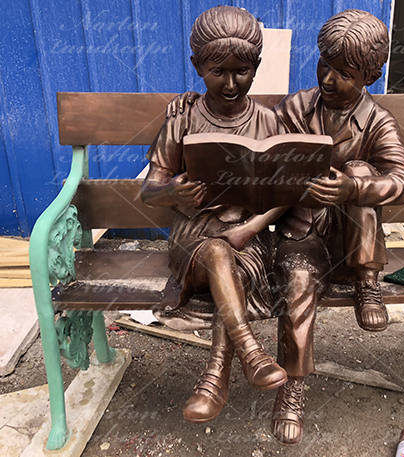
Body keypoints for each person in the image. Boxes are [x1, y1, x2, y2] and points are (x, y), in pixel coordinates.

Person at [269, 10, 404, 445]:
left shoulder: (376, 121)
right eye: (325, 65)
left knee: (360, 173)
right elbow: (261, 156)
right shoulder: (294, 107)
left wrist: (354, 187)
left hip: (351, 244)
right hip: (300, 237)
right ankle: (292, 389)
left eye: (345, 73)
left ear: (370, 76)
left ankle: (367, 281)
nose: (329, 79)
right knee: (296, 287)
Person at [140, 5, 288, 425]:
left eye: (242, 71)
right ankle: (250, 351)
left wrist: (252, 226)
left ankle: (215, 379)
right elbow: (149, 190)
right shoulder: (183, 118)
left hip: (249, 236)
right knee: (218, 253)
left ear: (256, 67)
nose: (229, 82)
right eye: (216, 71)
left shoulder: (267, 120)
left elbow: (288, 191)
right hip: (193, 236)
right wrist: (171, 190)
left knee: (230, 262)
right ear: (196, 67)